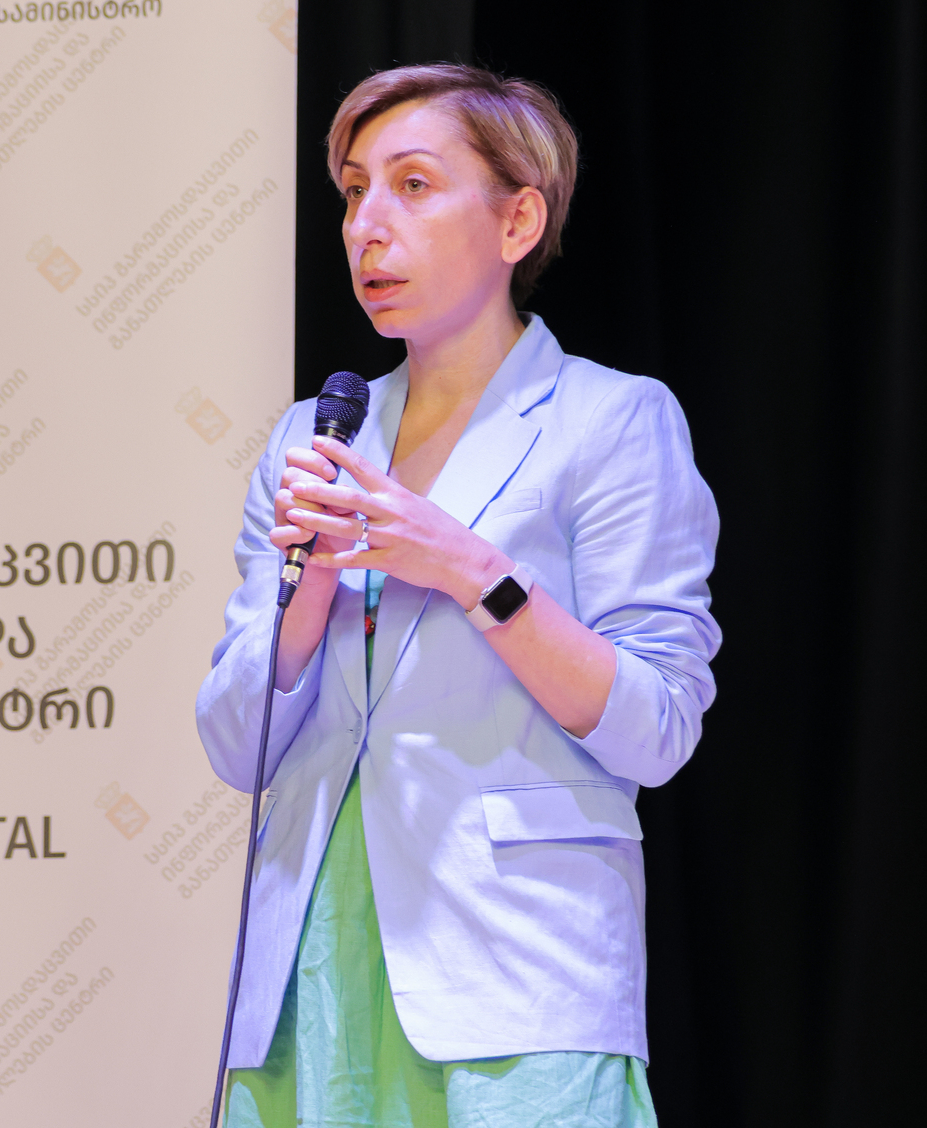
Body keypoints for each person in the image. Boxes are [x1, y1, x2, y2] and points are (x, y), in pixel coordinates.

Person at [196, 64, 719, 1127]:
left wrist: (473, 570)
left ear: (517, 219)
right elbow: (233, 743)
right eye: (354, 191)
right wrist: (311, 588)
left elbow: (659, 726)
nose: (367, 226)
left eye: (413, 185)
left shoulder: (611, 420)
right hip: (309, 974)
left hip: (516, 971)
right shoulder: (312, 439)